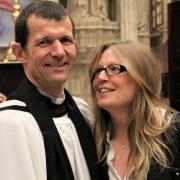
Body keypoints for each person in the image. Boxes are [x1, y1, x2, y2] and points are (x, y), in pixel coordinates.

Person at [0, 1, 106, 180]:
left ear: (76, 46)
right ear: (19, 52)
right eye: (44, 42)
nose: (59, 52)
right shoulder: (9, 122)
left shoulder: (83, 113)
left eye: (65, 40)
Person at [88, 41, 180, 180]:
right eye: (97, 70)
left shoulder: (174, 130)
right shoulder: (92, 140)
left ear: (141, 77)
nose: (100, 77)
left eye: (114, 69)